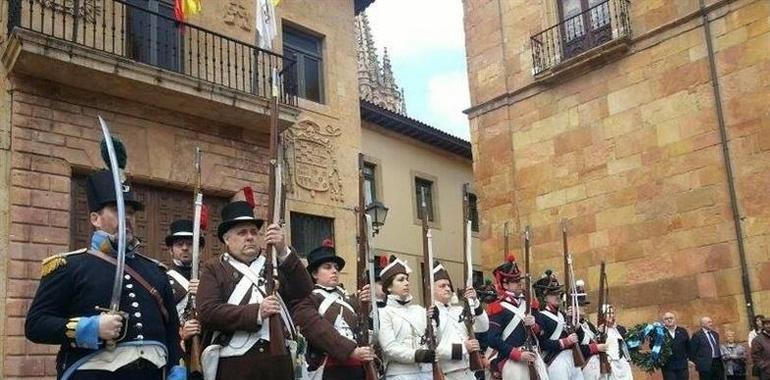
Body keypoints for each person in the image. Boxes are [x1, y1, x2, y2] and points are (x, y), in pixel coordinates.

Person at [25, 170, 185, 380]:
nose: (127, 217)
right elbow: (36, 325)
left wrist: (176, 368)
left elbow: (172, 331)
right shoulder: (69, 266)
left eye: (130, 212)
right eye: (117, 210)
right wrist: (90, 328)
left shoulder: (155, 271)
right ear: (95, 219)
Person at [196, 200, 313, 380]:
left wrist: (283, 251)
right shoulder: (214, 268)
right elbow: (208, 312)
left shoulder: (272, 264)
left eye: (253, 232)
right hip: (236, 364)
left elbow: (303, 290)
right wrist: (257, 312)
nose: (250, 237)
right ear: (227, 239)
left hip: (279, 362)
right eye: (242, 233)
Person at [292, 240, 376, 379]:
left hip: (357, 368)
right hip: (328, 369)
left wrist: (366, 305)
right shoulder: (309, 298)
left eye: (336, 267)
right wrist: (350, 351)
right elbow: (318, 330)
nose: (334, 271)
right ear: (314, 274)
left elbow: (364, 329)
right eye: (327, 267)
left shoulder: (350, 299)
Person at [484, 256, 548, 380]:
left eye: (519, 279)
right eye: (514, 281)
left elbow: (543, 333)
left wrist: (534, 325)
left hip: (533, 356)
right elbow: (493, 339)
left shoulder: (529, 303)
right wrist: (517, 354)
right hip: (512, 360)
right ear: (505, 284)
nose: (519, 283)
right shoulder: (498, 307)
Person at [431, 261, 489, 379]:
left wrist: (475, 302)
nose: (447, 289)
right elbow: (434, 350)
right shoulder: (430, 314)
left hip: (469, 373)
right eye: (442, 286)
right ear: (431, 289)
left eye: (448, 285)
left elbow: (484, 326)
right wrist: (464, 347)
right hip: (447, 375)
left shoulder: (459, 310)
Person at [377, 256, 433, 379]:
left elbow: (432, 340)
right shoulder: (383, 313)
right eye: (401, 280)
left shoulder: (419, 310)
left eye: (407, 279)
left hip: (427, 372)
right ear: (389, 287)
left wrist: (435, 321)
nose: (406, 283)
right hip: (401, 374)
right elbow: (389, 347)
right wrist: (417, 355)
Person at [164, 219, 204, 373]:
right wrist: (181, 334)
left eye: (190, 244)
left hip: (207, 345)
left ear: (199, 250)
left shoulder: (210, 279)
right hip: (176, 349)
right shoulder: (162, 279)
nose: (185, 248)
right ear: (171, 250)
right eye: (179, 244)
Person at [533, 270, 584, 380]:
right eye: (553, 293)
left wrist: (576, 324)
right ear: (544, 297)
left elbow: (580, 338)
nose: (557, 296)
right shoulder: (540, 317)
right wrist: (565, 342)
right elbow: (542, 343)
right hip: (555, 360)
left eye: (558, 293)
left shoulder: (563, 315)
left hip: (572, 358)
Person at [661, 312, 690, 380]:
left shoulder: (682, 331)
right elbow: (653, 346)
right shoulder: (660, 332)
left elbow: (688, 346)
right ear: (663, 321)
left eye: (671, 318)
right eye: (666, 319)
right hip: (668, 367)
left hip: (682, 365)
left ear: (675, 319)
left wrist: (689, 358)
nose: (669, 320)